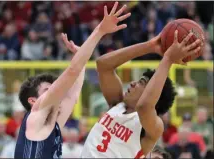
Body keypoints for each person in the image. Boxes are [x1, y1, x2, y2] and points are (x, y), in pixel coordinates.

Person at [14, 2, 130, 158]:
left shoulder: (51, 124)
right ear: (33, 101)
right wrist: (100, 31)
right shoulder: (35, 118)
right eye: (47, 90)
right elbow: (71, 71)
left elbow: (73, 95)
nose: (56, 92)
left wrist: (80, 60)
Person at [73, 18, 201, 158]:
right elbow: (103, 65)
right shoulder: (117, 104)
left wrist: (168, 59)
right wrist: (150, 46)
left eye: (141, 82)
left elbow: (144, 106)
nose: (133, 83)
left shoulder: (153, 127)